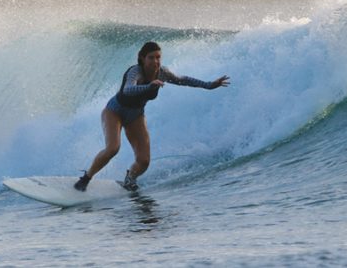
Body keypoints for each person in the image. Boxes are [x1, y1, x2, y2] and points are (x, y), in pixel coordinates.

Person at [74, 41, 230, 191]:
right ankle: (86, 178)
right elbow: (128, 89)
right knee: (113, 148)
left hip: (135, 115)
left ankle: (130, 179)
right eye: (151, 57)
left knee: (144, 161)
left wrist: (209, 85)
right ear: (142, 58)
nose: (155, 61)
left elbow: (182, 80)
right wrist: (149, 86)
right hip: (114, 111)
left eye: (158, 57)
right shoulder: (135, 71)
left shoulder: (162, 73)